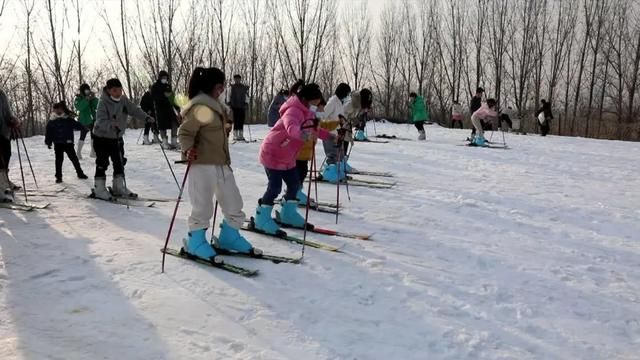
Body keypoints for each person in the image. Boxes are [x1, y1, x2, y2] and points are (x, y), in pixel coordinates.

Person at [177, 67, 259, 261]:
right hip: (202, 163)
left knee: (234, 202)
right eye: (219, 86)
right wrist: (188, 148)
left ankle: (228, 237)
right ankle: (195, 241)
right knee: (203, 205)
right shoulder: (200, 107)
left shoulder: (216, 107)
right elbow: (185, 132)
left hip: (221, 163)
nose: (222, 90)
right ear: (210, 86)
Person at [254, 82, 333, 235]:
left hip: (288, 155)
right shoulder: (293, 110)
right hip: (273, 153)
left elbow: (314, 129)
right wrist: (302, 134)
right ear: (305, 99)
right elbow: (291, 127)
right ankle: (261, 218)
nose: (315, 107)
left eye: (317, 104)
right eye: (314, 103)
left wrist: (330, 136)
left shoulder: (308, 112)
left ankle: (288, 214)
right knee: (275, 187)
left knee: (294, 185)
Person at [92, 78, 153, 200]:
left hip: (117, 137)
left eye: (120, 89)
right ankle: (99, 188)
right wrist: (111, 124)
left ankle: (118, 187)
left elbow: (134, 110)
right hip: (102, 137)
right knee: (102, 163)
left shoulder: (123, 100)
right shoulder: (103, 102)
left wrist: (146, 117)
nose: (118, 93)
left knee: (119, 161)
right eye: (115, 90)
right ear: (109, 90)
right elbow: (100, 121)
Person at [45, 101, 88, 183]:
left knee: (74, 159)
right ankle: (58, 176)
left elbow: (77, 125)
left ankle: (80, 173)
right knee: (58, 161)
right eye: (56, 109)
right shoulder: (51, 121)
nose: (58, 111)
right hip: (58, 144)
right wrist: (48, 142)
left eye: (60, 109)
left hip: (68, 143)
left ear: (63, 110)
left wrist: (84, 128)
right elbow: (48, 133)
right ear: (54, 110)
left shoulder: (68, 119)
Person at [320, 83, 351, 183]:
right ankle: (329, 174)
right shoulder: (332, 102)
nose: (347, 96)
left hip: (338, 133)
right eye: (347, 94)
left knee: (340, 155)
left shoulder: (339, 103)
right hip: (329, 133)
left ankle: (337, 172)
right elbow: (323, 115)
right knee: (332, 154)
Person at [0, 88, 21, 202]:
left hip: (3, 132)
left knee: (6, 156)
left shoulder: (1, 93)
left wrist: (13, 120)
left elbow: (8, 113)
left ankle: (4, 182)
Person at [151, 71, 180, 149]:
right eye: (163, 78)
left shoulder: (168, 86)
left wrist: (177, 108)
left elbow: (172, 98)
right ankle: (164, 142)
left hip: (169, 109)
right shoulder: (155, 86)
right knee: (162, 126)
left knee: (175, 123)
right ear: (160, 78)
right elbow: (153, 97)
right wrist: (163, 95)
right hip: (160, 109)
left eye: (166, 78)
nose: (164, 79)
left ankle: (174, 141)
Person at [74, 84, 99, 159]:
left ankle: (93, 152)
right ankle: (78, 153)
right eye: (86, 90)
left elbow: (97, 105)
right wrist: (86, 99)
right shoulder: (78, 98)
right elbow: (79, 107)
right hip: (84, 120)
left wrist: (94, 98)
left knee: (94, 136)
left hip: (93, 119)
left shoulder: (91, 97)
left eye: (88, 89)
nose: (87, 91)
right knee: (83, 136)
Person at [228, 74, 249, 141]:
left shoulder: (243, 87)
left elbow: (246, 96)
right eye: (236, 79)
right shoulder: (232, 87)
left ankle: (241, 135)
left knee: (241, 120)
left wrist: (246, 103)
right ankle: (235, 135)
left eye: (238, 79)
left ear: (240, 79)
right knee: (236, 120)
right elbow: (229, 95)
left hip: (242, 106)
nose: (237, 80)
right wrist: (229, 103)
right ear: (234, 79)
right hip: (234, 106)